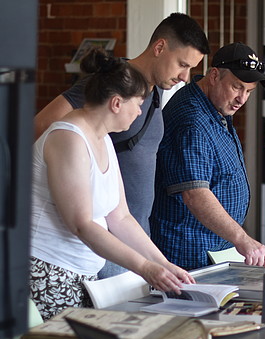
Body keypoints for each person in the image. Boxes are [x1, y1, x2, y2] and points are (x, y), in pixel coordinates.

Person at [33, 13, 210, 278]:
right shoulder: (113, 83)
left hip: (132, 233)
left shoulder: (155, 90)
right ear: (160, 48)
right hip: (95, 246)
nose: (186, 77)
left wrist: (159, 261)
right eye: (182, 64)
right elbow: (40, 128)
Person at [30, 49, 195, 321]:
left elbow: (120, 217)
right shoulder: (68, 138)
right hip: (47, 273)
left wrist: (162, 263)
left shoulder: (103, 138)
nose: (140, 111)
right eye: (138, 103)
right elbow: (81, 224)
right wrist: (143, 267)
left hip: (81, 273)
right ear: (117, 103)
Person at [150, 42, 265, 271]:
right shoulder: (192, 122)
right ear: (214, 75)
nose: (242, 99)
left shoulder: (214, 104)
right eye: (237, 87)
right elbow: (195, 194)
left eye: (249, 91)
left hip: (213, 246)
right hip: (189, 252)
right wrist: (243, 239)